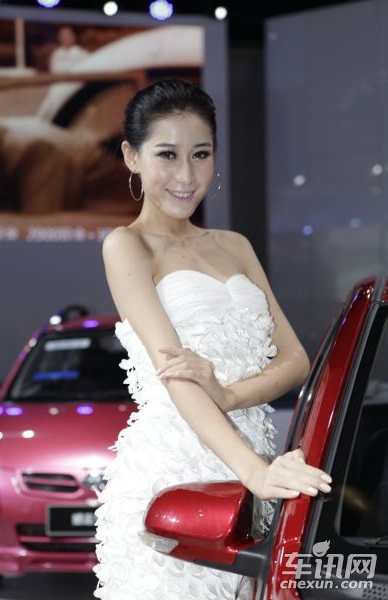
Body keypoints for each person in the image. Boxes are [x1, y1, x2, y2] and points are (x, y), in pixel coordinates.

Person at [93, 78, 332, 599]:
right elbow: (177, 377)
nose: (186, 175)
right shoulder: (127, 246)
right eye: (167, 155)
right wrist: (256, 473)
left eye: (200, 154)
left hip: (252, 469)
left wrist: (229, 396)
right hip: (177, 474)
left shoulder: (235, 245)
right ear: (132, 157)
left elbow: (296, 360)